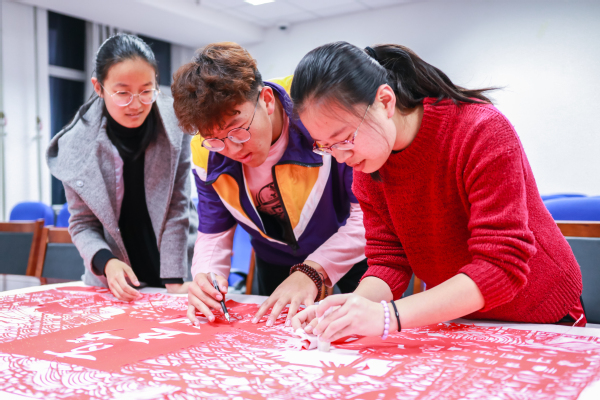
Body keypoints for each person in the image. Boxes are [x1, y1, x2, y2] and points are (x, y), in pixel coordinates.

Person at [291, 42, 585, 342]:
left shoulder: (480, 129)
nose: (341, 157)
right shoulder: (368, 164)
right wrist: (352, 308)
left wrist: (387, 317)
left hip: (540, 312)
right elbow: (389, 260)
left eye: (344, 138)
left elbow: (500, 266)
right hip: (460, 317)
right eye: (326, 146)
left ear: (385, 101)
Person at [170, 42, 367, 327]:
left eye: (237, 131)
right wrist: (206, 277)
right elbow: (214, 231)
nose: (232, 149)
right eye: (215, 140)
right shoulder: (206, 152)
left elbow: (366, 215)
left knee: (359, 334)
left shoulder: (314, 113)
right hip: (275, 260)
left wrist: (313, 270)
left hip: (351, 250)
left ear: (266, 100)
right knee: (275, 336)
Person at [47, 34, 198, 300]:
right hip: (113, 282)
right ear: (98, 87)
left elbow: (178, 206)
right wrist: (106, 262)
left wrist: (174, 280)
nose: (136, 104)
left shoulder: (175, 126)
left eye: (146, 90)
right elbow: (82, 223)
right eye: (122, 93)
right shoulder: (75, 144)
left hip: (172, 269)